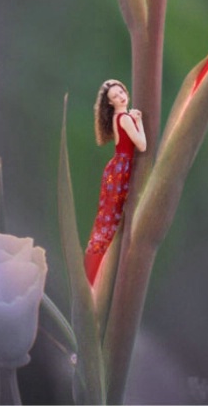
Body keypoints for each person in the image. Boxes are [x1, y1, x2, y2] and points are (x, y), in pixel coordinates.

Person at [84, 79, 146, 285]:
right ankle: (98, 272)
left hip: (116, 168)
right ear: (110, 103)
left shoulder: (119, 117)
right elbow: (142, 145)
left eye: (121, 92)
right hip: (122, 170)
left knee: (107, 218)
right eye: (115, 96)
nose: (121, 97)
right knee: (112, 220)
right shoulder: (126, 118)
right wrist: (139, 121)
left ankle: (95, 269)